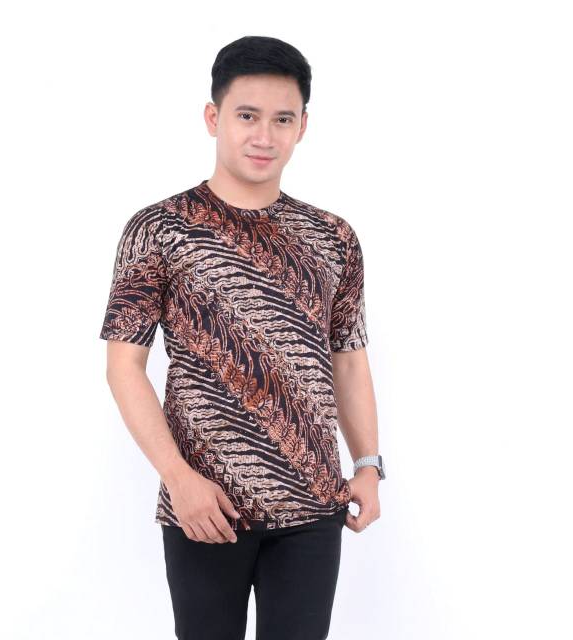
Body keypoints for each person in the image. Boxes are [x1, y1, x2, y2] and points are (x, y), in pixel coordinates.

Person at [99, 35, 384, 640]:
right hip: (205, 505)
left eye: (282, 119)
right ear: (214, 118)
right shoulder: (159, 230)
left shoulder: (333, 236)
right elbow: (124, 367)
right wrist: (179, 479)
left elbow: (349, 358)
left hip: (313, 503)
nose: (264, 136)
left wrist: (367, 465)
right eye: (247, 116)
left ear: (303, 126)